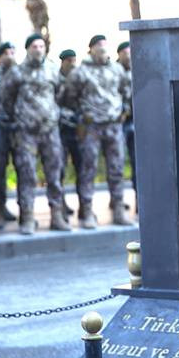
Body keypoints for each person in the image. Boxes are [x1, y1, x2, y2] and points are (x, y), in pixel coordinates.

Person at [61, 34, 132, 229]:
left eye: (104, 45)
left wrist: (124, 110)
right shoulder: (80, 72)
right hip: (91, 127)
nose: (102, 48)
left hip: (113, 126)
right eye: (98, 45)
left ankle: (118, 209)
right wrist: (81, 115)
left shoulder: (117, 70)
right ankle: (87, 212)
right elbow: (69, 97)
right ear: (90, 49)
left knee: (117, 169)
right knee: (88, 169)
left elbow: (126, 91)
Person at [3, 34, 70, 235]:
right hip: (26, 133)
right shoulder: (17, 72)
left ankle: (56, 216)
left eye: (41, 46)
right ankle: (28, 217)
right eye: (34, 46)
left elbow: (61, 94)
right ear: (27, 49)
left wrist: (51, 114)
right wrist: (20, 118)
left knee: (55, 174)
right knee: (27, 175)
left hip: (50, 131)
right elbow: (7, 99)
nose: (38, 50)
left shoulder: (52, 69)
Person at [0, 42, 19, 228]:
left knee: (22, 168)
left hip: (19, 126)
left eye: (13, 52)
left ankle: (24, 209)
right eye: (6, 52)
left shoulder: (20, 73)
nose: (10, 56)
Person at [58, 48, 81, 215]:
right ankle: (61, 205)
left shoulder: (80, 78)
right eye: (69, 61)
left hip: (79, 130)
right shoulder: (55, 79)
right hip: (60, 130)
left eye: (74, 60)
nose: (72, 64)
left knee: (83, 168)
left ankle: (84, 206)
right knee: (59, 169)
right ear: (63, 62)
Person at [116, 40, 136, 194]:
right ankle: (118, 199)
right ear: (119, 54)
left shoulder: (137, 69)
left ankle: (139, 199)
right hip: (119, 122)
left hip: (136, 121)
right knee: (117, 162)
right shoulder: (113, 72)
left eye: (130, 52)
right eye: (125, 53)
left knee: (138, 161)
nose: (128, 56)